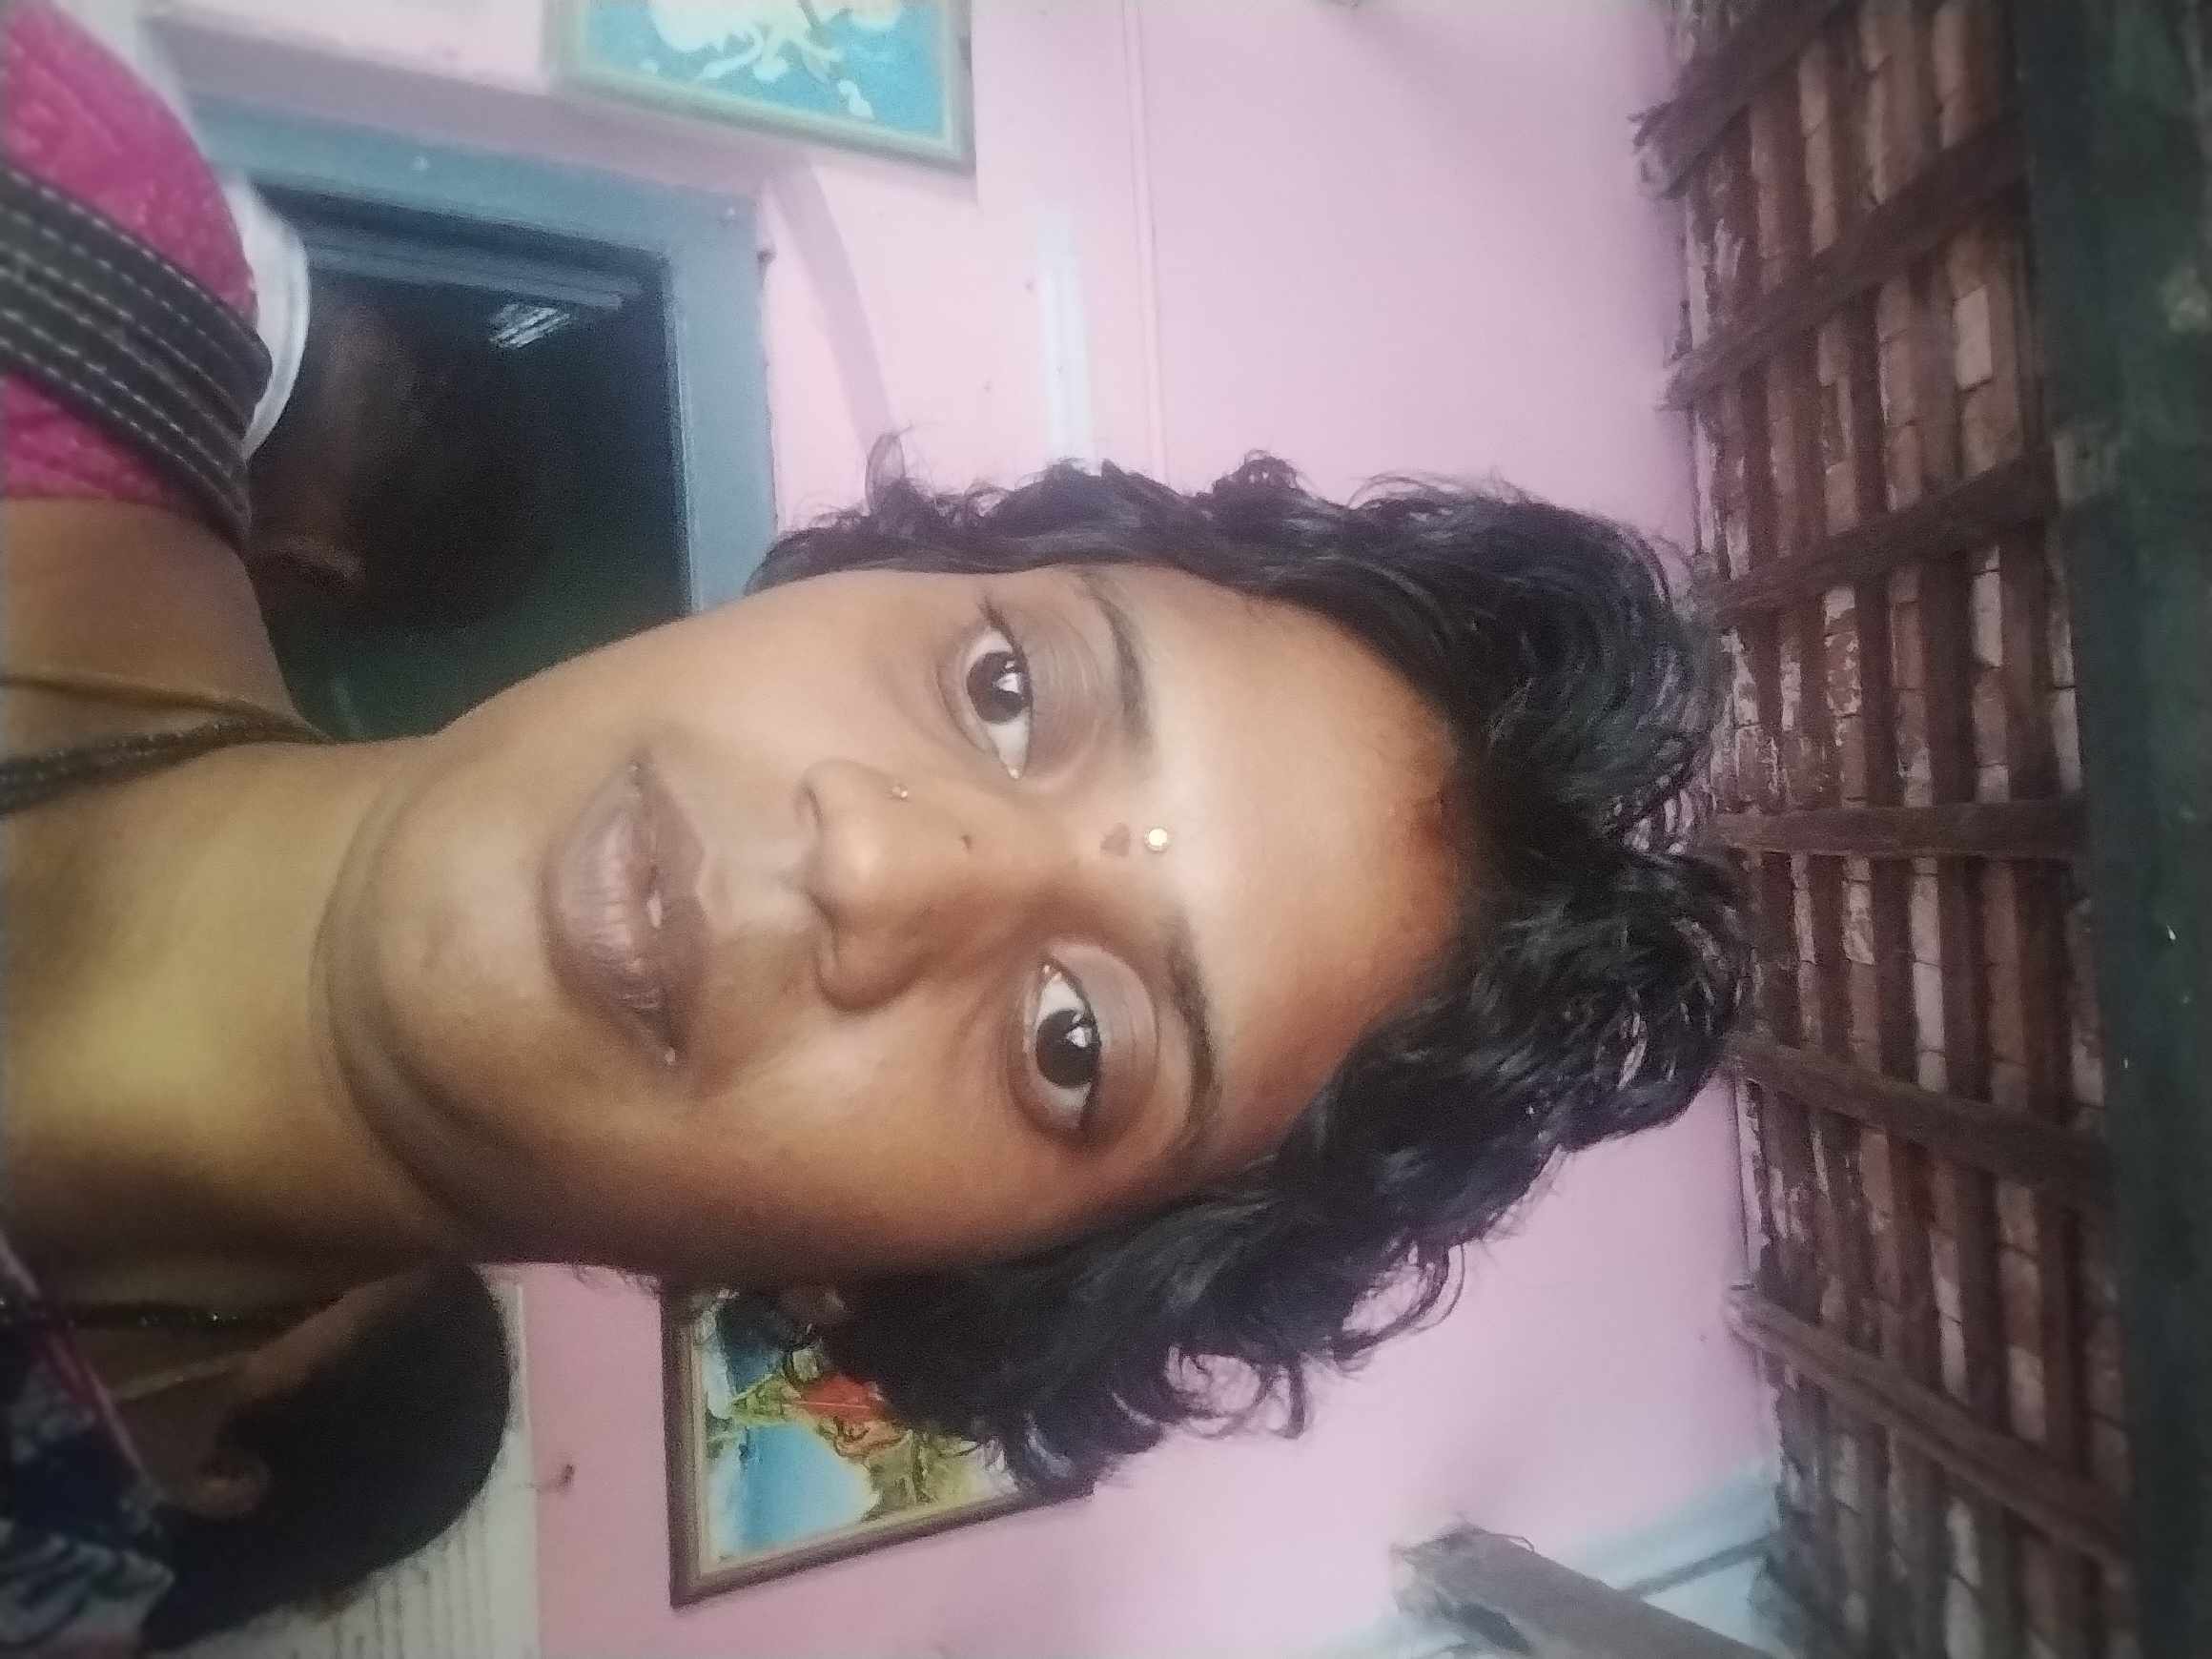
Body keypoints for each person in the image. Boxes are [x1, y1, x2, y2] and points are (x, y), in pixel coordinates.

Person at [0, 0, 1744, 1643]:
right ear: (876, 576)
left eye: (1075, 1042)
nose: (877, 863)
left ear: (908, 1286)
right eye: (1010, 689)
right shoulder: (55, 199)